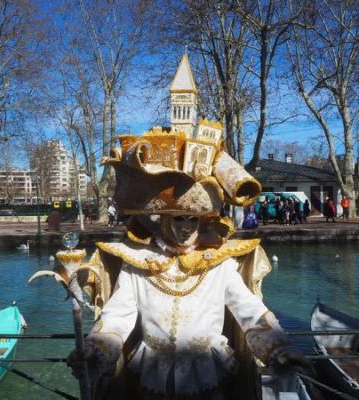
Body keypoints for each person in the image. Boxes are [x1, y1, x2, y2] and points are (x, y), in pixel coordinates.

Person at [67, 130, 309, 400]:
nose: (186, 228)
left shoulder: (218, 264)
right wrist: (95, 348)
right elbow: (117, 317)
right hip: (152, 377)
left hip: (208, 375)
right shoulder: (138, 264)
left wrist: (280, 349)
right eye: (179, 219)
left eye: (193, 220)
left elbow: (249, 310)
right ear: (163, 218)